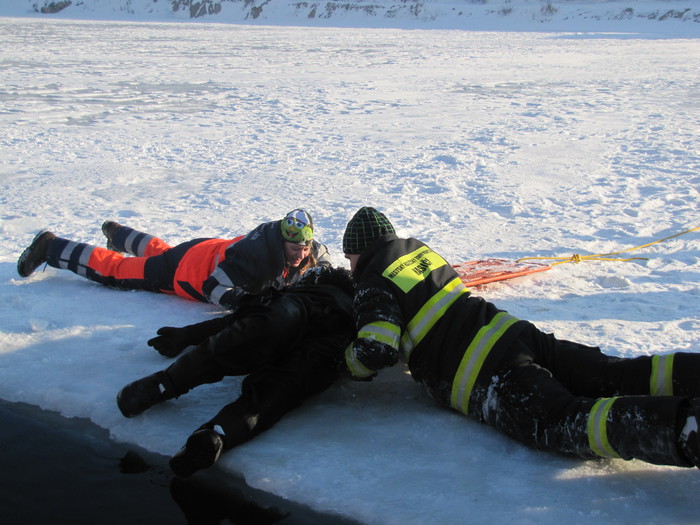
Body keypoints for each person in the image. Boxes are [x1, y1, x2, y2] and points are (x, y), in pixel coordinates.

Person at [341, 206, 700, 470]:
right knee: (611, 373)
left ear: (359, 252)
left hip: (486, 369)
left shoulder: (373, 280)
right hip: (514, 332)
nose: (349, 266)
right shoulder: (420, 251)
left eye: (349, 258)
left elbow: (377, 349)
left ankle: (685, 429)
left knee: (563, 421)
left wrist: (345, 363)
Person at [116, 265, 355, 477]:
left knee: (244, 338)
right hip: (337, 336)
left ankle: (164, 383)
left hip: (294, 311)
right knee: (278, 390)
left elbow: (239, 323)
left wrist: (187, 335)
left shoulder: (302, 290)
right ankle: (219, 434)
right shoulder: (355, 306)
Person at [16, 209, 331, 310]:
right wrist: (243, 302)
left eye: (305, 248)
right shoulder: (253, 258)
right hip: (185, 271)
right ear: (280, 242)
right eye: (295, 249)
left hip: (204, 249)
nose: (301, 254)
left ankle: (119, 234)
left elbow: (325, 263)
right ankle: (51, 247)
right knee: (117, 270)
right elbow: (212, 288)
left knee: (161, 251)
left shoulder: (303, 245)